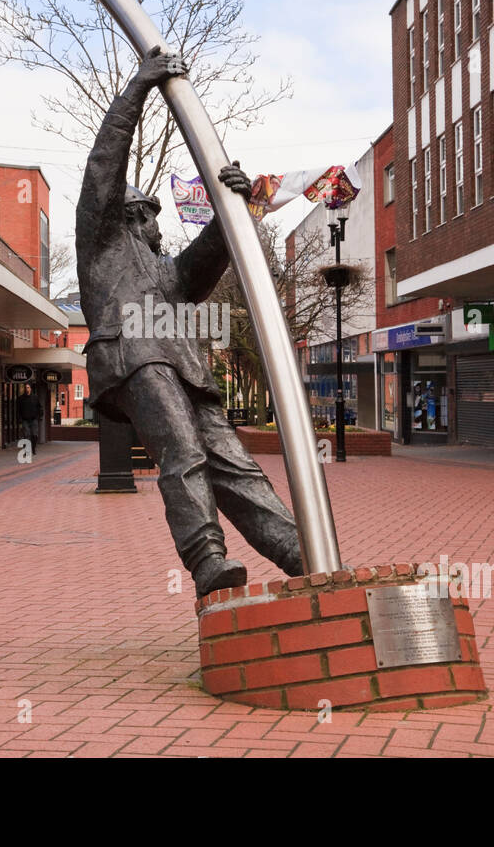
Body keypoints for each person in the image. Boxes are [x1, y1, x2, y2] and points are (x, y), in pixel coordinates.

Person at [75, 46, 304, 597]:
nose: (160, 225)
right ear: (134, 215)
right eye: (152, 216)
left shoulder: (162, 271)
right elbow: (104, 164)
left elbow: (199, 266)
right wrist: (140, 87)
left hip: (184, 369)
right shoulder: (102, 245)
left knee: (234, 465)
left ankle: (297, 549)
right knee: (183, 452)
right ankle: (206, 559)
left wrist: (235, 209)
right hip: (135, 358)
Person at [16, 383, 42, 454]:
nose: (26, 389)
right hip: (25, 420)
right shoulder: (21, 398)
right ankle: (27, 450)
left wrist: (40, 416)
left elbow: (39, 407)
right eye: (25, 388)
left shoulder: (35, 397)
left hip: (34, 419)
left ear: (30, 388)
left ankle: (33, 448)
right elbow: (18, 410)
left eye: (28, 387)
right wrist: (20, 419)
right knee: (26, 435)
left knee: (34, 435)